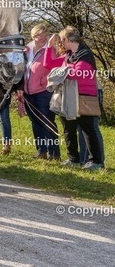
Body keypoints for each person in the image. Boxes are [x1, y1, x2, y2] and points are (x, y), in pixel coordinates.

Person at [44, 26, 104, 170]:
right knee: (68, 129)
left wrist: (60, 72)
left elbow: (78, 74)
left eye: (62, 40)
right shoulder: (69, 56)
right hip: (68, 97)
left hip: (84, 97)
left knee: (87, 130)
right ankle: (73, 159)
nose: (61, 43)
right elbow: (49, 64)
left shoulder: (85, 54)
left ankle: (96, 161)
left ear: (68, 39)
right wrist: (49, 47)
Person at [16, 24, 60, 160]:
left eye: (46, 35)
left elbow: (56, 69)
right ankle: (41, 150)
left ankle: (54, 153)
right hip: (28, 92)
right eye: (41, 35)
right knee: (35, 121)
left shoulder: (50, 50)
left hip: (43, 91)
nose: (44, 38)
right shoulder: (26, 50)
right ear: (34, 36)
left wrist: (45, 81)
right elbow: (21, 69)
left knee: (48, 121)